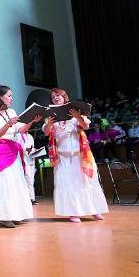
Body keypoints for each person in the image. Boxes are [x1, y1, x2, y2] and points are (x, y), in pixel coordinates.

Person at [42, 88, 108, 223]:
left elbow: (85, 126)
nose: (55, 97)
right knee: (67, 184)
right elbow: (46, 132)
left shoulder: (74, 110)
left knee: (86, 182)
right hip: (62, 156)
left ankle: (94, 210)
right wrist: (49, 123)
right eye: (53, 96)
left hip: (80, 155)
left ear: (64, 97)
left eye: (58, 95)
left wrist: (77, 116)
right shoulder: (50, 115)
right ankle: (72, 212)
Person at [0, 84, 37, 228]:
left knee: (16, 181)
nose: (11, 99)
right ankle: (4, 215)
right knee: (4, 182)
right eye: (9, 96)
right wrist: (8, 124)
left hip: (13, 148)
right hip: (0, 148)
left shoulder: (12, 111)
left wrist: (32, 119)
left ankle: (16, 213)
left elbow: (21, 129)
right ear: (0, 98)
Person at [15, 130, 38, 204]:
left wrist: (34, 150)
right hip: (24, 160)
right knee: (28, 180)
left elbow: (32, 147)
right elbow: (18, 148)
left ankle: (32, 197)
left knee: (32, 180)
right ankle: (30, 198)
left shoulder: (30, 136)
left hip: (31, 159)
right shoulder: (18, 135)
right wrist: (26, 150)